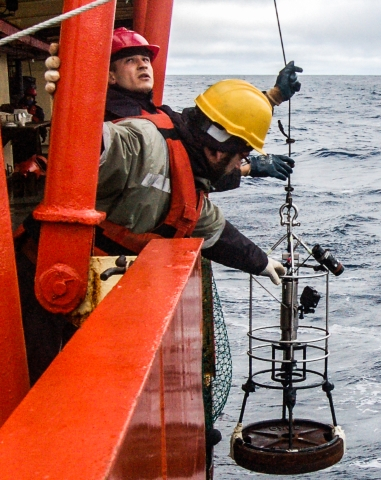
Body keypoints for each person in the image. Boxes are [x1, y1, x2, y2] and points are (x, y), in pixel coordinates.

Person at [15, 79, 291, 385]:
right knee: (32, 384)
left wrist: (262, 263)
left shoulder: (189, 175)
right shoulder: (145, 141)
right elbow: (103, 144)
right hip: (34, 280)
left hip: (83, 288)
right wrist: (72, 98)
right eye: (243, 153)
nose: (243, 162)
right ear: (219, 147)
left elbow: (214, 230)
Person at [105, 27, 299, 189]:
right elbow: (190, 164)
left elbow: (203, 128)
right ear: (110, 75)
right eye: (130, 60)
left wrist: (274, 97)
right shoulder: (120, 123)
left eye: (145, 59)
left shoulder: (157, 113)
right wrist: (249, 167)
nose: (142, 65)